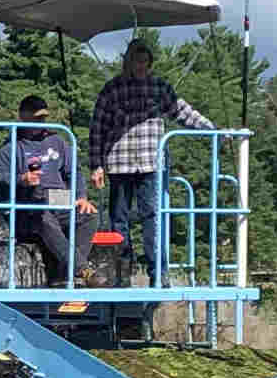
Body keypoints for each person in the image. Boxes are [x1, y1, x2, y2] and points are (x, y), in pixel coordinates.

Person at [87, 39, 214, 285]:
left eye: (145, 61)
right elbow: (97, 128)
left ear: (150, 63)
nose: (141, 66)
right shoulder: (112, 89)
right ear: (128, 62)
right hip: (119, 162)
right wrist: (96, 165)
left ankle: (159, 274)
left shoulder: (161, 88)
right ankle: (122, 273)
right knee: (118, 220)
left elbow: (184, 113)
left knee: (153, 217)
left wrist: (213, 130)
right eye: (136, 61)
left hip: (151, 164)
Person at [0, 94, 98, 283]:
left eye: (43, 118)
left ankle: (65, 272)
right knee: (44, 218)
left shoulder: (57, 140)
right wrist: (21, 179)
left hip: (60, 199)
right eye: (36, 118)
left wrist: (82, 196)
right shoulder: (11, 147)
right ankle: (81, 269)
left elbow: (74, 172)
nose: (41, 122)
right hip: (30, 203)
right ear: (23, 117)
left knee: (89, 215)